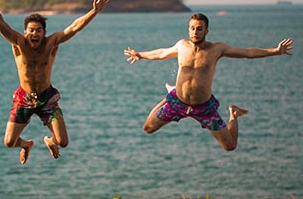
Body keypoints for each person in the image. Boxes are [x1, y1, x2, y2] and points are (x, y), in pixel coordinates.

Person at [0, 0, 111, 164]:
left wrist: (94, 11)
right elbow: (0, 23)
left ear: (44, 33)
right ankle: (26, 144)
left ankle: (50, 141)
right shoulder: (18, 43)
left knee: (63, 142)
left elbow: (74, 27)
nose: (35, 34)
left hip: (47, 98)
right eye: (31, 30)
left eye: (39, 30)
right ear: (25, 32)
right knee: (9, 142)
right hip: (24, 98)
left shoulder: (51, 43)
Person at [124, 13, 293, 151]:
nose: (195, 32)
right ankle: (170, 94)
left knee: (230, 146)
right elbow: (161, 53)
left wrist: (275, 51)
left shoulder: (216, 49)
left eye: (199, 29)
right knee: (147, 128)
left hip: (204, 108)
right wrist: (140, 54)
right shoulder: (182, 46)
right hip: (178, 103)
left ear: (206, 31)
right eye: (192, 28)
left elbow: (248, 52)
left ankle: (233, 113)